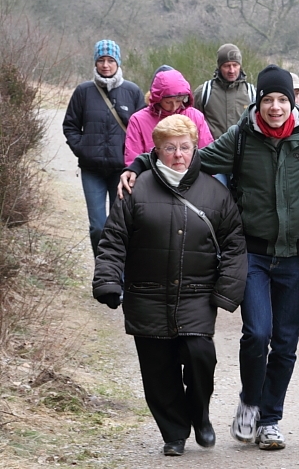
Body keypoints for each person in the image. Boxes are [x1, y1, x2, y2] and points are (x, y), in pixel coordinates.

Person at [118, 64, 299, 451]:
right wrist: (139, 165)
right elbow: (191, 157)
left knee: (285, 342)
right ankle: (250, 403)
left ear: (293, 101)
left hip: (296, 255)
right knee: (257, 334)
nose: (275, 106)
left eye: (282, 99)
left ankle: (270, 419)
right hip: (253, 251)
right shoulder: (240, 136)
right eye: (268, 99)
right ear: (258, 101)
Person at [93, 114, 247, 457]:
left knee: (199, 357)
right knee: (158, 370)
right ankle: (174, 432)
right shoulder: (135, 189)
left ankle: (200, 415)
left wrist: (227, 291)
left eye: (185, 147)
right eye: (169, 148)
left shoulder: (216, 193)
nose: (178, 155)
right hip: (146, 294)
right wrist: (107, 280)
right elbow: (114, 240)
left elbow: (235, 244)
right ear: (156, 151)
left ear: (195, 149)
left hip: (196, 294)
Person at [62, 39, 144, 258]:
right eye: (101, 60)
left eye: (110, 60)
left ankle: (119, 273)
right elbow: (70, 125)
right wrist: (82, 149)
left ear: (118, 62)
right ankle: (102, 271)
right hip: (92, 170)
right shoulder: (83, 91)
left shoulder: (132, 91)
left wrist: (134, 162)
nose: (105, 65)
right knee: (98, 226)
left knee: (120, 226)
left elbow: (143, 130)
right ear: (95, 63)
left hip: (122, 171)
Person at [124, 69, 213, 166]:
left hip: (191, 176)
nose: (174, 107)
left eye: (178, 101)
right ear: (157, 99)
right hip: (153, 177)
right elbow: (133, 160)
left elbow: (207, 154)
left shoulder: (196, 116)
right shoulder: (138, 120)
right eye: (168, 102)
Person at [194, 43, 256, 140]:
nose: (231, 70)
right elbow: (193, 124)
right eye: (227, 66)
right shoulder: (204, 92)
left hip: (243, 152)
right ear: (219, 67)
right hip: (212, 152)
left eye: (235, 65)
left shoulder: (252, 93)